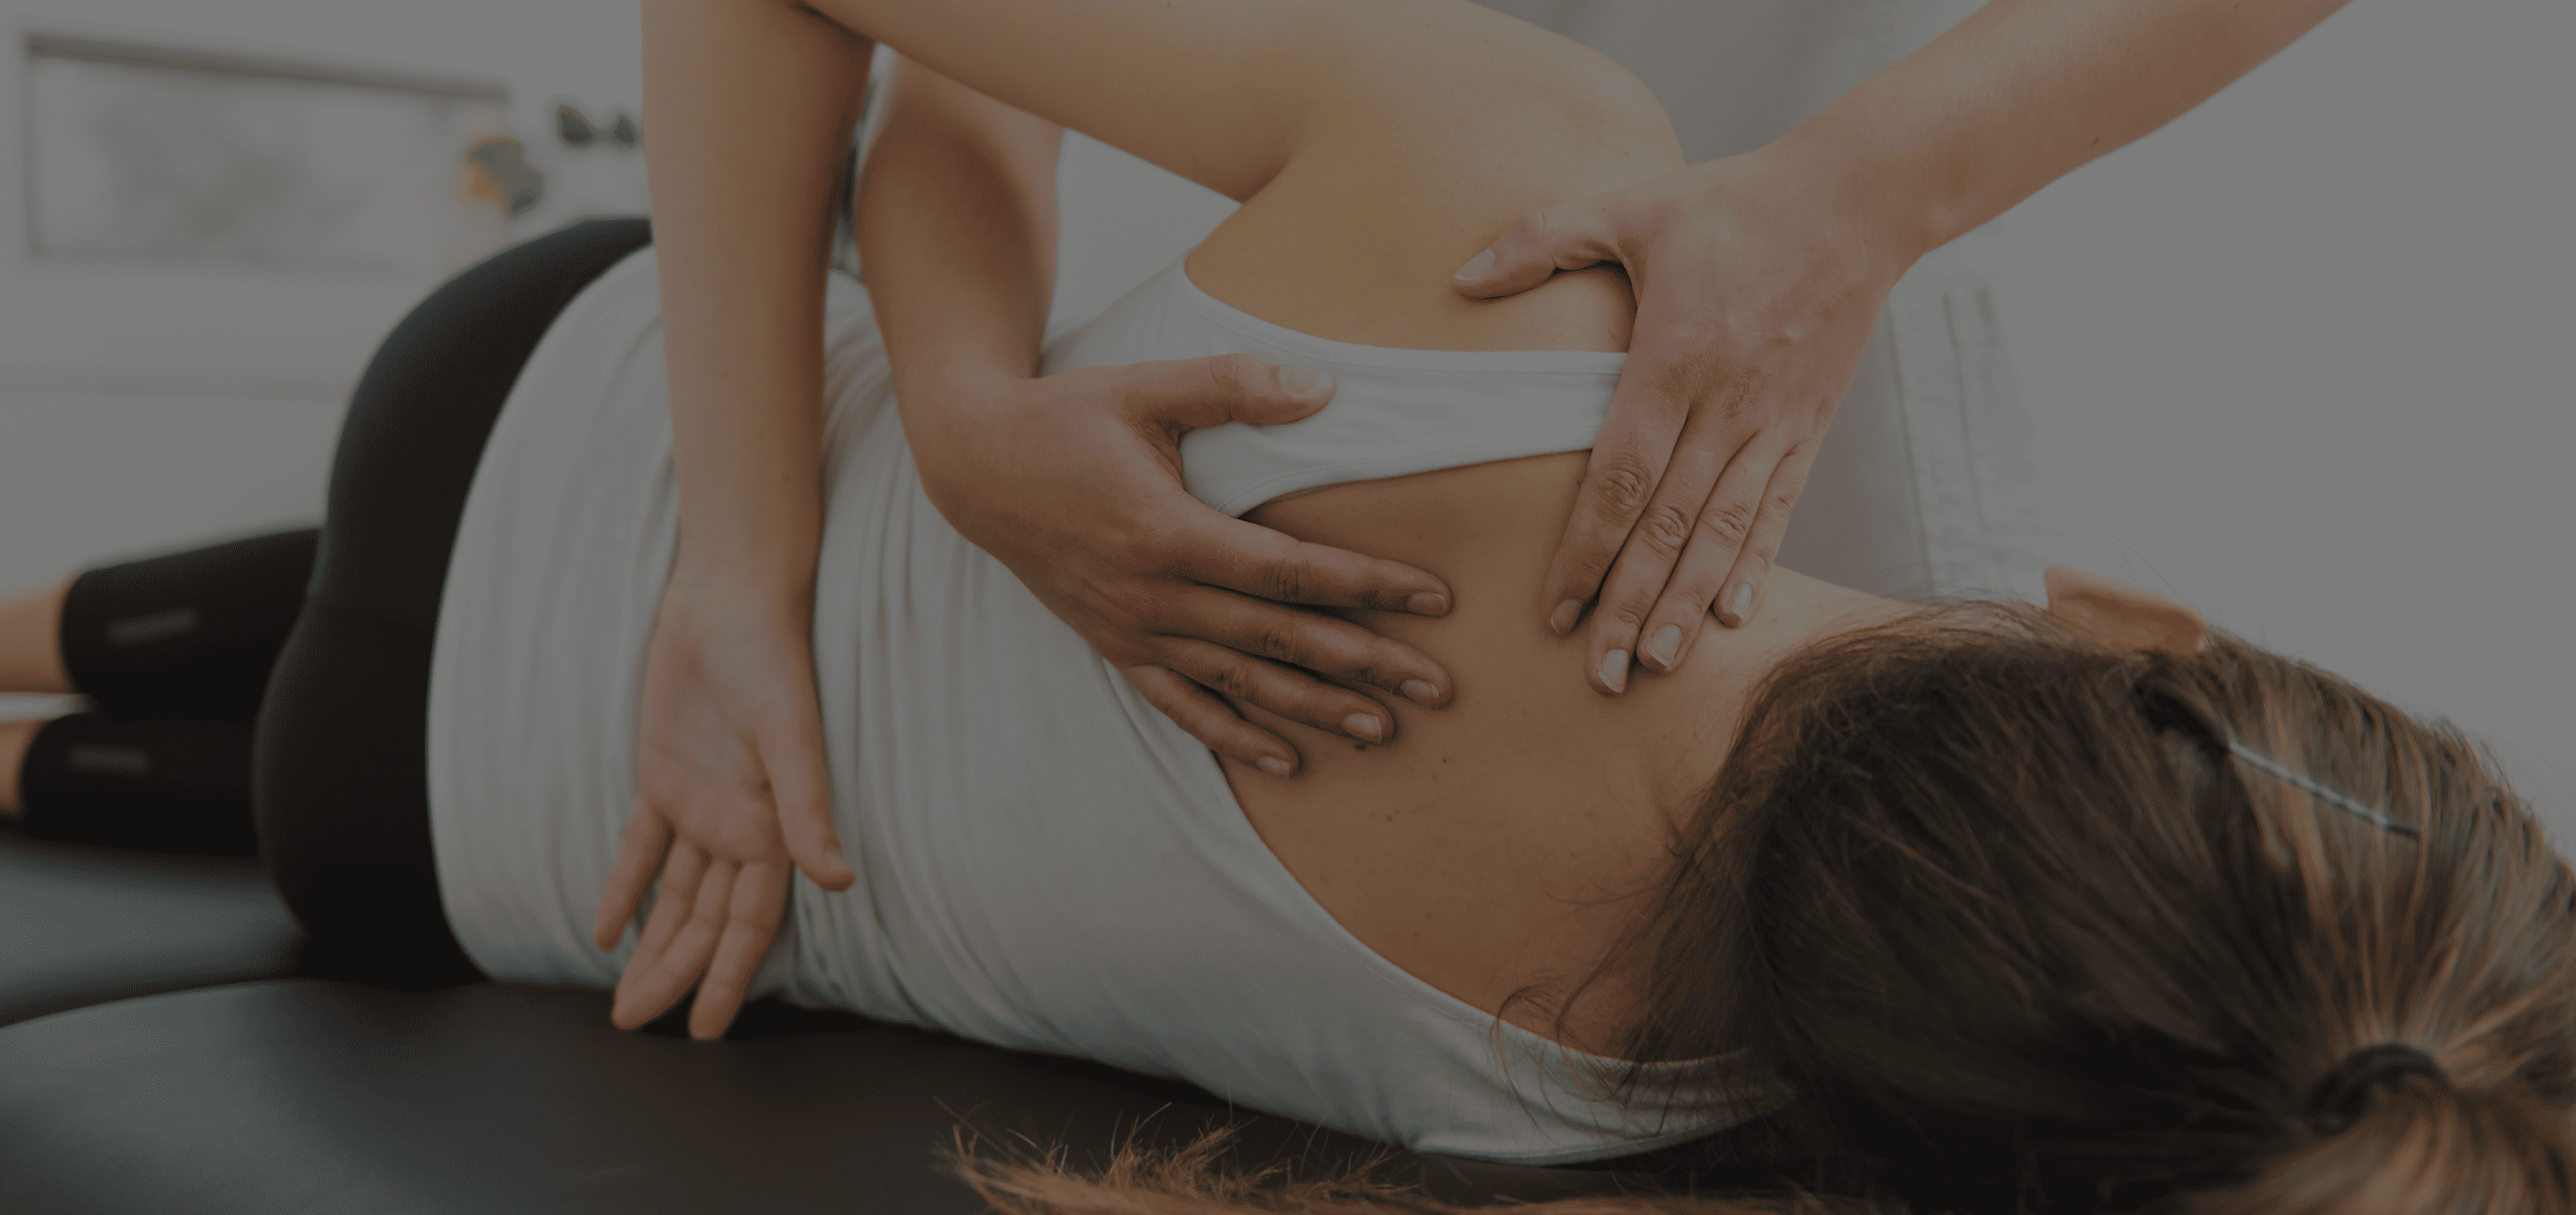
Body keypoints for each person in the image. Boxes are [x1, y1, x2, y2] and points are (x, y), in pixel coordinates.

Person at [1, 1, 2567, 1209]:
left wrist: (793, 539)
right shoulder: (1638, 1130)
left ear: (2159, 684)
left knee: (117, 627)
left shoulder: (1537, 218)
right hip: (464, 850)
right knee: (113, 736)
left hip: (547, 423)